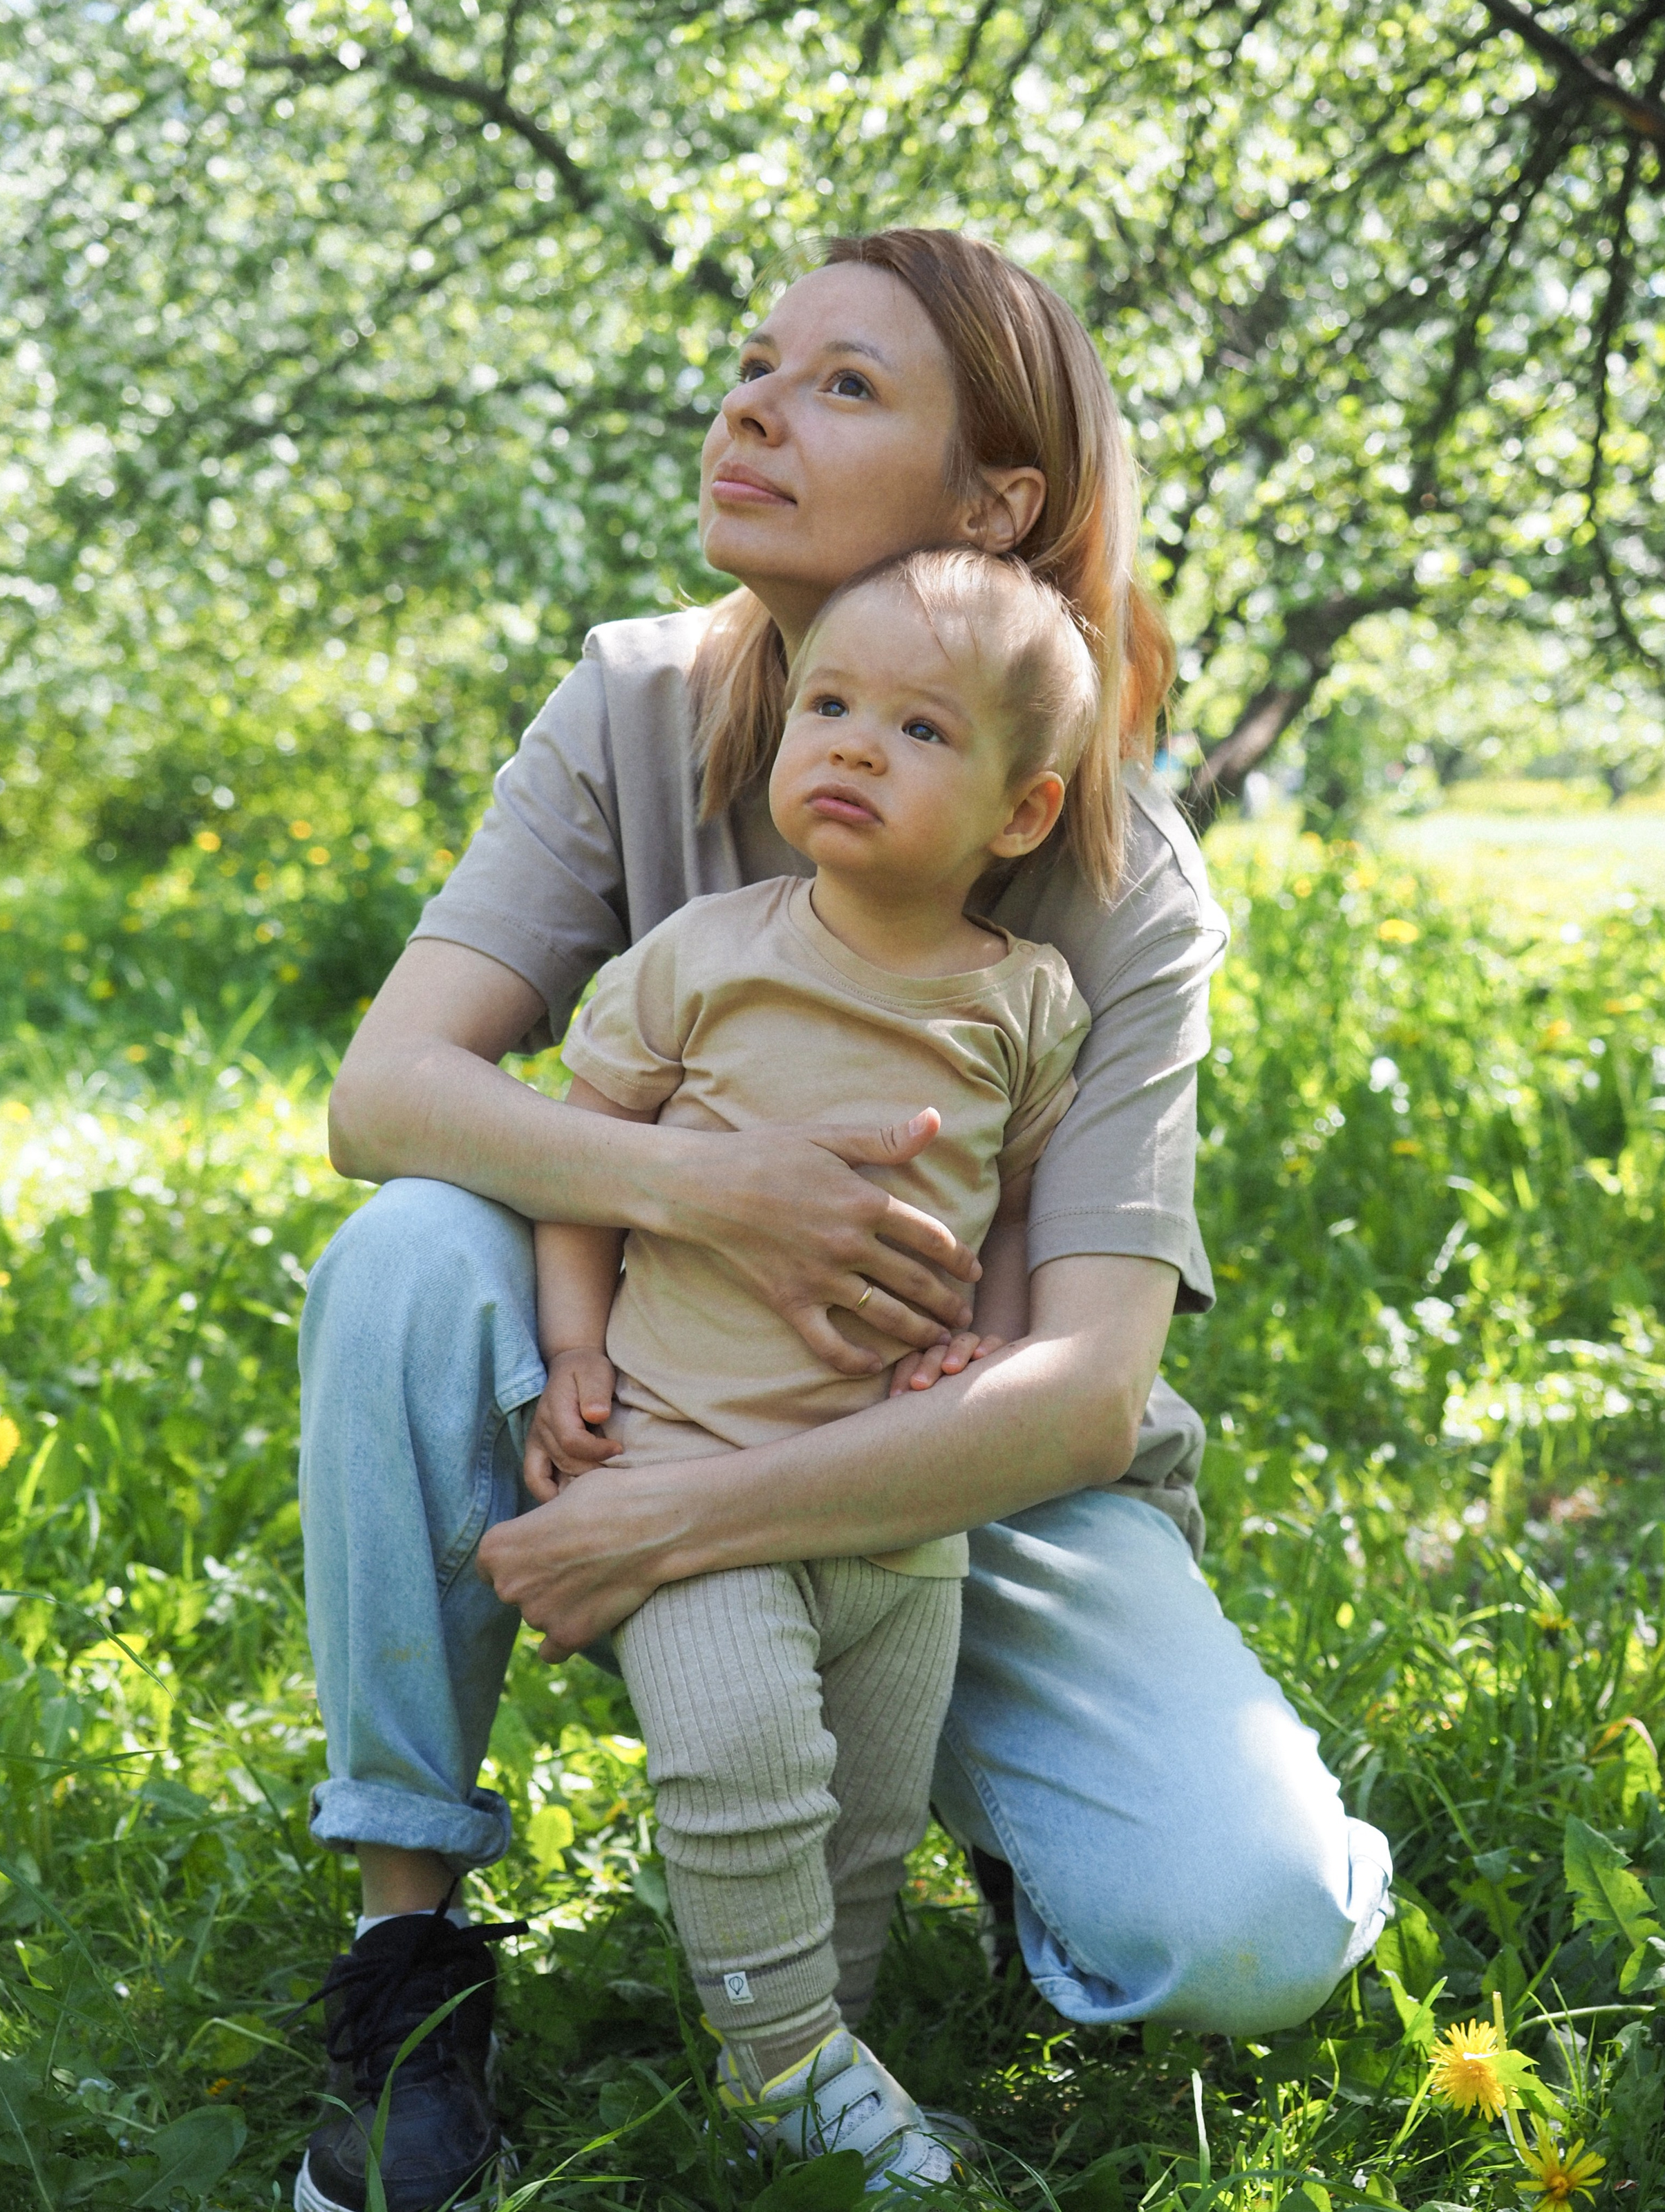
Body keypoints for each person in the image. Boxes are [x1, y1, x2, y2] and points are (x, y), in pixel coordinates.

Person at [294, 229, 1393, 2212]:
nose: (749, 407)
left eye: (843, 386)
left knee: (1254, 1927)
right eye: (751, 363)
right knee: (402, 1254)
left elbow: (1078, 1389)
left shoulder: (1119, 884)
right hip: (654, 1381)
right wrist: (713, 1197)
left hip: (960, 1478)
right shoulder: (631, 703)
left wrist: (672, 1524)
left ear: (997, 504)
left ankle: (971, 1839)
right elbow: (390, 1095)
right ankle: (408, 1953)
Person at [527, 545, 1095, 2191]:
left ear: (1020, 814)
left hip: (894, 1501)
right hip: (682, 1465)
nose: (848, 743)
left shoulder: (1025, 1000)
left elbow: (1009, 1200)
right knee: (738, 1762)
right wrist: (574, 1344)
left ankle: (812, 2052)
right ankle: (780, 2058)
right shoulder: (705, 955)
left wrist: (981, 1340)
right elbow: (581, 1154)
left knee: (863, 1812)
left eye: (917, 729)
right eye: (828, 706)